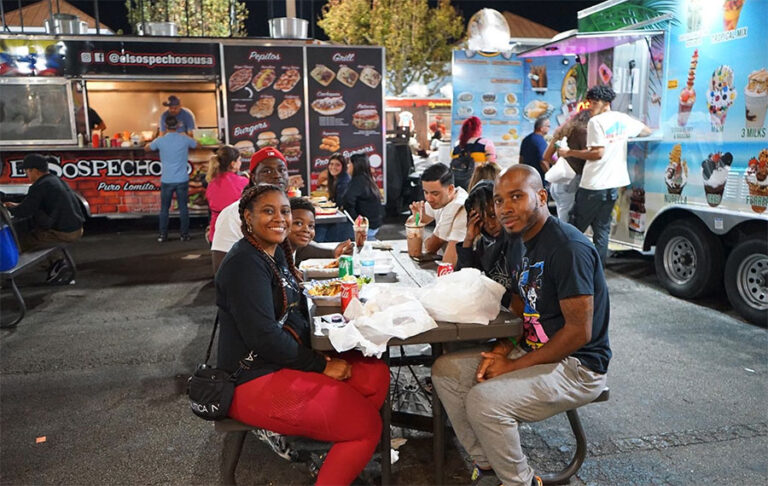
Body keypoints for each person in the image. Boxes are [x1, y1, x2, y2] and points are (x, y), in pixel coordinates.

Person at [431, 165, 611, 486]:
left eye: (516, 197)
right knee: (446, 372)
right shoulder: (518, 241)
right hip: (533, 349)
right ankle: (488, 466)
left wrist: (511, 366)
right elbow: (519, 301)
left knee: (484, 402)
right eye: (499, 201)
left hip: (578, 366)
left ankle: (520, 481)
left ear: (541, 197)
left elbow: (578, 332)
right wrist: (504, 347)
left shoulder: (568, 248)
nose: (504, 209)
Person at [216, 184, 389, 486]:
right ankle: (347, 441)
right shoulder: (245, 263)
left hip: (282, 362)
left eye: (284, 211)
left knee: (375, 376)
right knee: (366, 426)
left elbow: (295, 313)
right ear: (247, 217)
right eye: (268, 211)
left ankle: (335, 452)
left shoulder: (274, 252)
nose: (279, 218)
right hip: (250, 379)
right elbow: (265, 338)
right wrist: (322, 365)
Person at [211, 147, 352, 273]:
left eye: (282, 170)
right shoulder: (232, 214)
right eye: (267, 171)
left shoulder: (286, 209)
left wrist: (333, 252)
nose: (277, 175)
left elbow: (295, 246)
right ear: (253, 177)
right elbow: (221, 268)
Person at [558, 86, 652, 265]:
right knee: (602, 232)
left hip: (593, 185)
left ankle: (567, 268)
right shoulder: (623, 119)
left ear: (606, 103)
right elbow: (647, 131)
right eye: (590, 103)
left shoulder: (596, 122)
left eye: (595, 103)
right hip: (613, 186)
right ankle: (597, 273)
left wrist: (569, 152)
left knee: (573, 228)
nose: (591, 107)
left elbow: (597, 153)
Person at [456, 180, 522, 308]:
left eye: (493, 216)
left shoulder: (519, 240)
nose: (490, 225)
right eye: (482, 220)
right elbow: (466, 281)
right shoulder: (484, 243)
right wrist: (468, 240)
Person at [4, 154, 84, 253]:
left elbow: (24, 212)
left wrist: (6, 209)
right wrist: (18, 205)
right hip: (76, 229)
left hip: (64, 233)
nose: (26, 174)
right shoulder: (55, 180)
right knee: (36, 232)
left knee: (20, 242)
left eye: (27, 171)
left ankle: (50, 264)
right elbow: (33, 204)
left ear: (35, 171)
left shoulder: (40, 186)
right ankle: (54, 262)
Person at [145, 116, 199, 242]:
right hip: (182, 179)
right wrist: (186, 135)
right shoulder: (184, 139)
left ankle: (163, 235)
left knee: (164, 208)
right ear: (179, 124)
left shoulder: (160, 140)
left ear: (165, 125)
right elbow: (198, 144)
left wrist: (156, 137)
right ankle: (184, 235)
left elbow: (147, 148)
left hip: (167, 179)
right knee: (183, 208)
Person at [408, 163, 468, 265]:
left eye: (435, 193)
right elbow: (414, 223)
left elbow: (432, 248)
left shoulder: (462, 208)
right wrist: (416, 217)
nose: (429, 199)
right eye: (426, 192)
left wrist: (429, 242)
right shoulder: (439, 200)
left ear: (450, 189)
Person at [542, 110, 591, 222]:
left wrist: (562, 164)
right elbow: (587, 155)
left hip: (557, 181)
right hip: (571, 181)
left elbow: (547, 156)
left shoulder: (563, 131)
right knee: (566, 219)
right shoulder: (582, 132)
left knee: (561, 213)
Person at [205, 145, 248, 243]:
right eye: (239, 160)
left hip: (216, 231)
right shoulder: (243, 182)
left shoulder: (211, 181)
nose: (240, 163)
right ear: (233, 164)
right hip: (236, 232)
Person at [340, 154, 383, 240]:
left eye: (349, 163)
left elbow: (348, 201)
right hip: (374, 225)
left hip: (365, 228)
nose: (347, 166)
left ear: (355, 165)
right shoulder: (368, 179)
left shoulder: (358, 181)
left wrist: (357, 222)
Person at [288, 197, 338, 265]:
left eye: (311, 226)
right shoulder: (274, 259)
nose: (306, 230)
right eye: (298, 223)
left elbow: (306, 249)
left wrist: (334, 252)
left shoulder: (295, 250)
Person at [519, 116, 551, 182]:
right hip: (539, 178)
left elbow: (521, 159)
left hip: (528, 177)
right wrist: (551, 176)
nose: (549, 128)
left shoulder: (526, 139)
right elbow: (543, 161)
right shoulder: (540, 141)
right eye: (548, 126)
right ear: (541, 128)